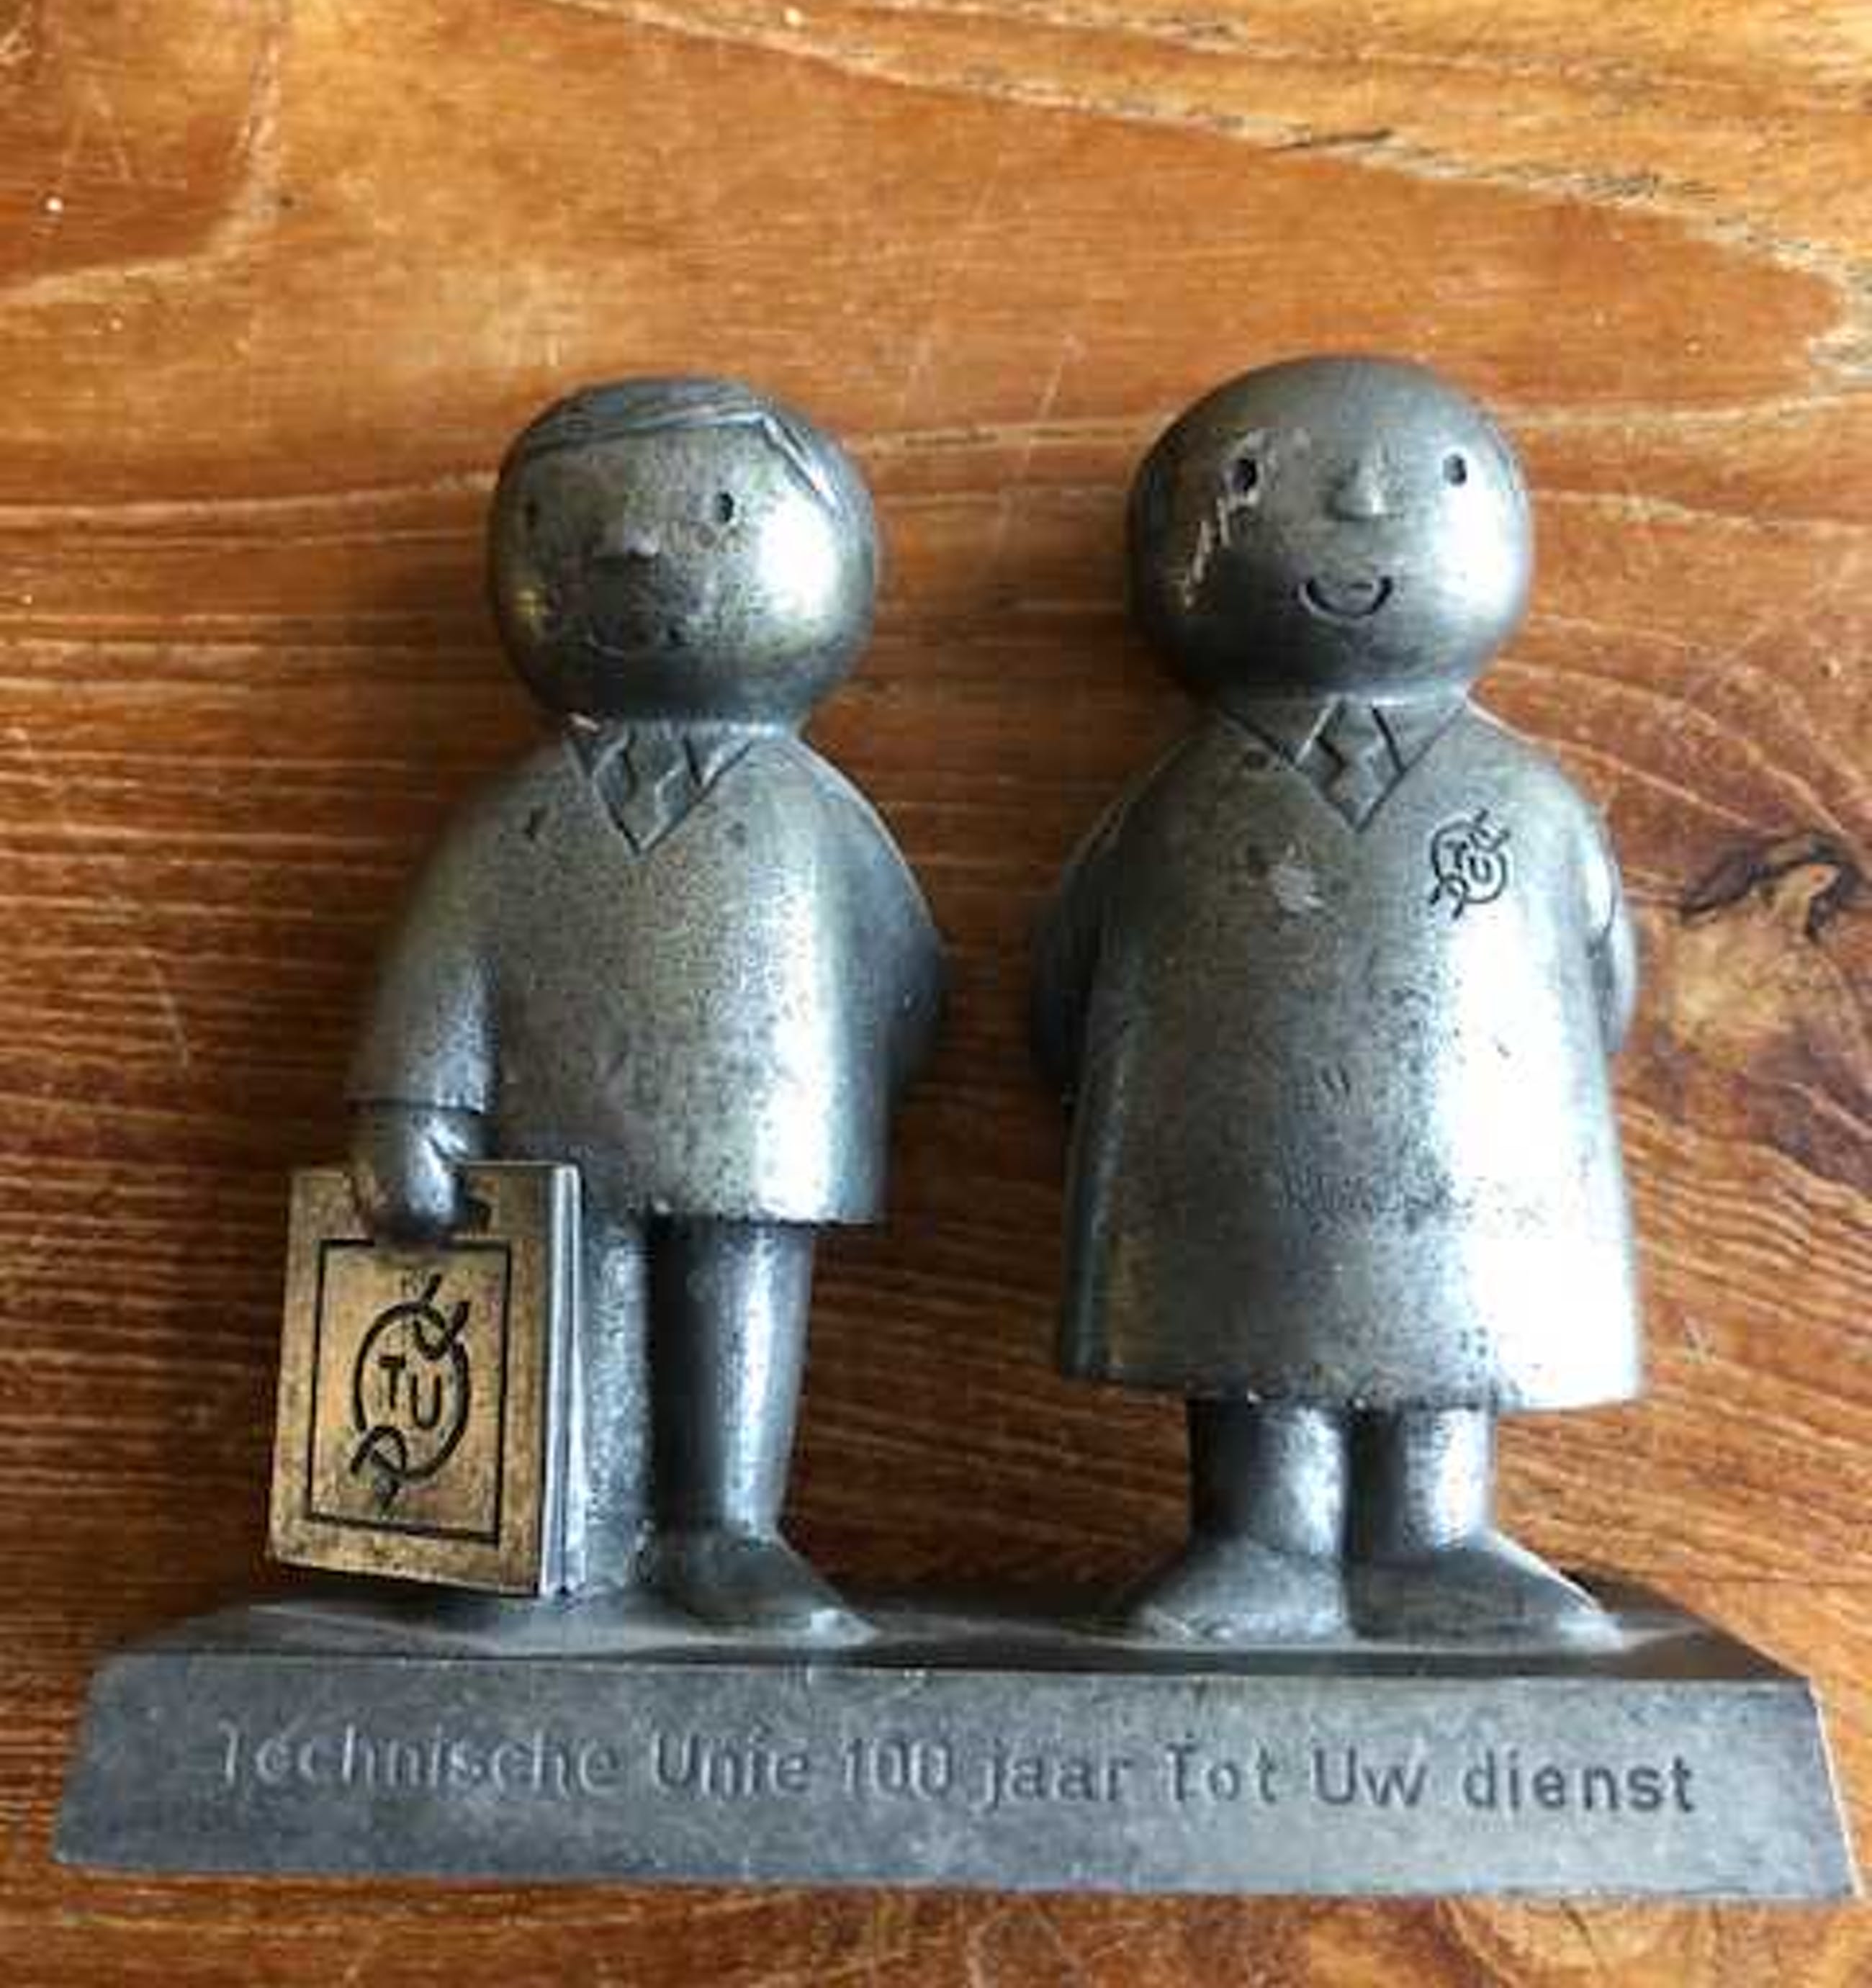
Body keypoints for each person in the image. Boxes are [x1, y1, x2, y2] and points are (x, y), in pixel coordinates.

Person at [1034, 356, 1639, 1641]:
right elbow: (1078, 969)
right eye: (1260, 485)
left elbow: (1594, 979)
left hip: (1465, 1149)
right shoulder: (1181, 805)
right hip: (1239, 1149)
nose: (1359, 516)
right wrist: (1115, 1108)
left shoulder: (1524, 799)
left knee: (1442, 1333)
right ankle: (1266, 1536)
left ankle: (1439, 1534)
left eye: (1430, 483)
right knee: (1250, 1323)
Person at [348, 377, 943, 1636]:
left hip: (754, 1129)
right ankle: (558, 1528)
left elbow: (902, 969)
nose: (629, 549)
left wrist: (858, 1079)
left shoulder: (806, 806)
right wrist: (411, 1104)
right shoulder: (518, 814)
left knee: (740, 1296)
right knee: (570, 1312)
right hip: (551, 1137)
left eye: (715, 512)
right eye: (569, 524)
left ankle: (727, 1529)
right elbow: (448, 956)